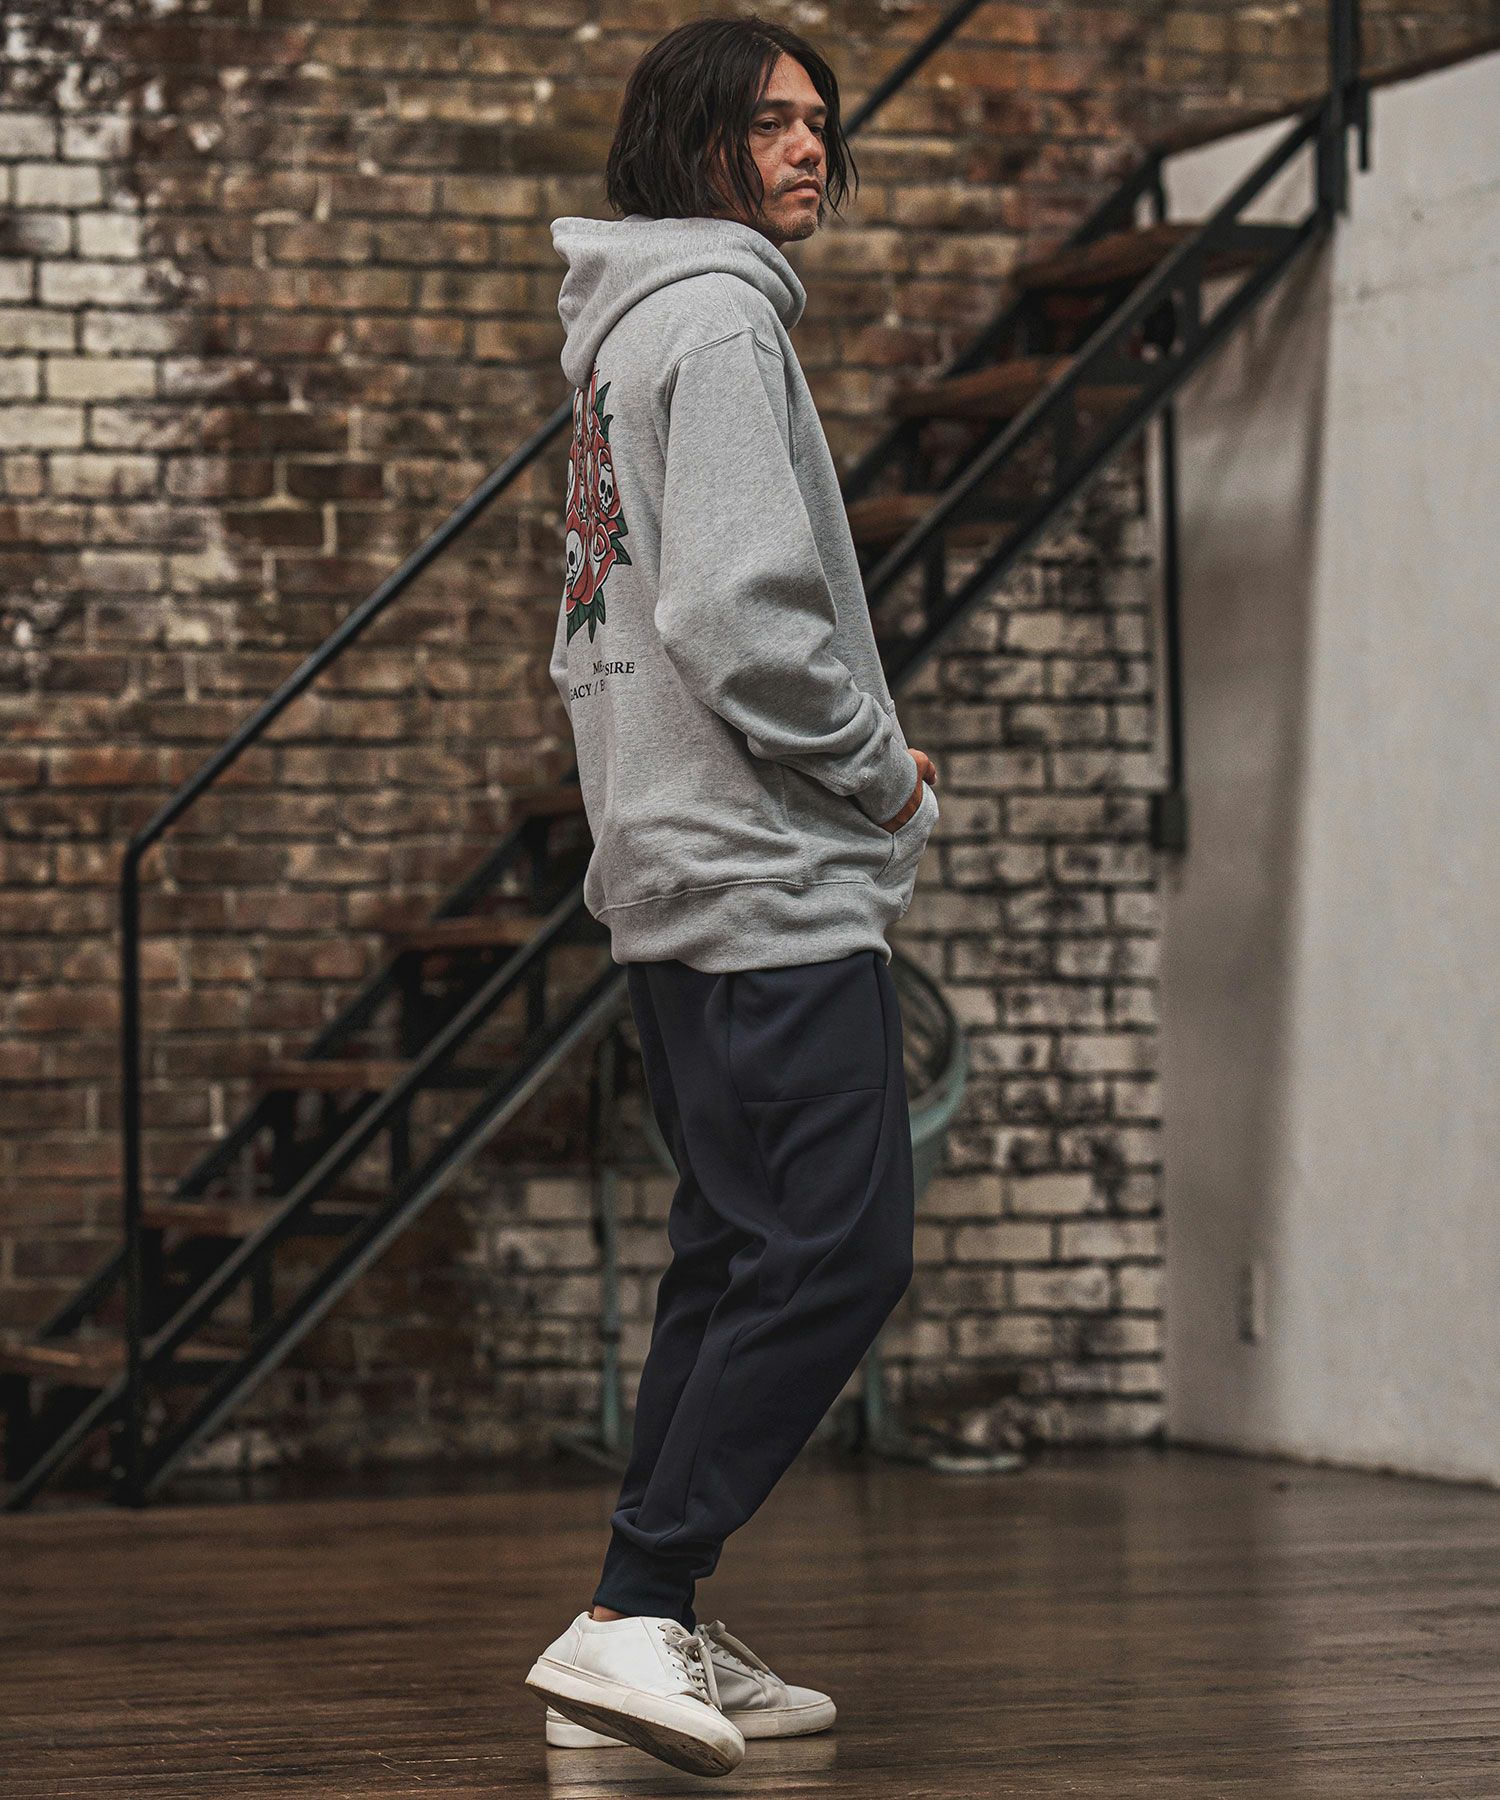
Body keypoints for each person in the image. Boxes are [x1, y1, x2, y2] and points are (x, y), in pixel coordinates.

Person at [524, 14, 939, 1778]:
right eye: (771, 121)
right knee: (842, 1247)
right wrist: (883, 771)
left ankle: (647, 1619)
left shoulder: (632, 328)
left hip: (675, 862)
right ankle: (632, 1615)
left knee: (734, 1248)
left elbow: (600, 623)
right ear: (690, 139)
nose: (810, 146)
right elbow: (742, 620)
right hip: (761, 875)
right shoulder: (714, 319)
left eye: (820, 122)